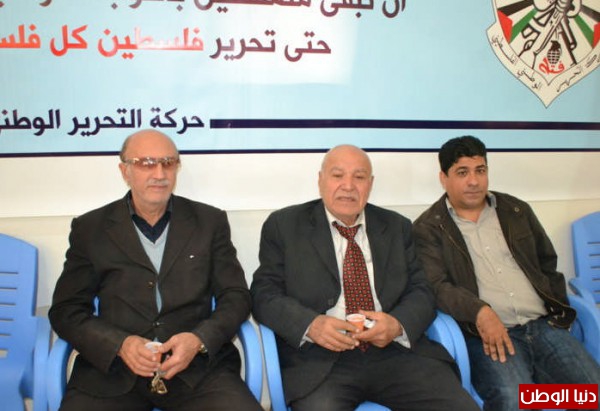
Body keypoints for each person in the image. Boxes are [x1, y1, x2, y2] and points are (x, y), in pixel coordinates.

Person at [250, 144, 479, 411]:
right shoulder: (285, 225)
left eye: (359, 177)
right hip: (321, 361)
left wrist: (397, 325)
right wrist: (311, 325)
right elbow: (264, 293)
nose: (348, 186)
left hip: (396, 353)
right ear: (320, 180)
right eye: (338, 175)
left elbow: (422, 290)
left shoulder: (397, 226)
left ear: (370, 184)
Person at [49, 129, 262, 411]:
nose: (159, 173)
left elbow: (236, 296)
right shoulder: (90, 229)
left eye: (168, 162)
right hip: (112, 373)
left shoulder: (209, 222)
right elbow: (66, 310)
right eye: (146, 163)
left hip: (197, 371)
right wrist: (119, 344)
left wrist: (199, 340)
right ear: (124, 171)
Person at [413, 135, 600, 411]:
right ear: (444, 178)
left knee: (591, 393)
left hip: (542, 325)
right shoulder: (428, 228)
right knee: (514, 400)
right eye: (462, 172)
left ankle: (541, 394)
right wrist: (480, 312)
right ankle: (536, 394)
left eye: (480, 170)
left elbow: (547, 262)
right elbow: (437, 286)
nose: (474, 181)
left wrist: (556, 310)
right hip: (486, 335)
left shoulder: (516, 210)